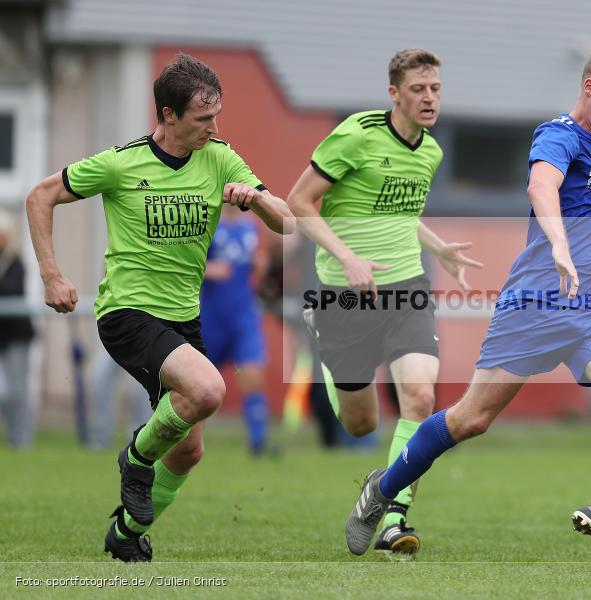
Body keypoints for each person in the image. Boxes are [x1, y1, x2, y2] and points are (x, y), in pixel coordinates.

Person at [345, 41, 591, 557]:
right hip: (537, 304)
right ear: (589, 87)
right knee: (470, 419)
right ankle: (381, 491)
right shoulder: (557, 136)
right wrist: (562, 247)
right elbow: (543, 189)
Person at [25, 53, 294, 563]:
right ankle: (136, 457)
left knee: (190, 451)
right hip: (127, 313)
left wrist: (256, 200)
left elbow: (287, 222)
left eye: (217, 116)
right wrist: (52, 274)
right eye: (202, 119)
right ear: (167, 116)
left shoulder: (220, 157)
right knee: (209, 388)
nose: (214, 128)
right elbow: (41, 196)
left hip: (181, 319)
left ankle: (126, 533)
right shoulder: (121, 163)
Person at [287, 48, 482, 558]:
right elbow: (299, 202)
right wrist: (348, 259)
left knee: (418, 398)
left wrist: (439, 247)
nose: (429, 97)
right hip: (344, 298)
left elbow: (398, 214)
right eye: (418, 89)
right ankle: (328, 355)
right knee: (362, 424)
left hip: (406, 289)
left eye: (435, 88)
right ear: (394, 92)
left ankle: (393, 515)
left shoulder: (431, 152)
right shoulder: (356, 134)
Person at [200, 203, 272, 456]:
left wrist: (258, 264)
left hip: (243, 315)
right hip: (210, 317)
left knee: (252, 375)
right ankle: (188, 444)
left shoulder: (251, 225)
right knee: (200, 389)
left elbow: (257, 261)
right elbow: (184, 263)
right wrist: (208, 269)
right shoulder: (205, 222)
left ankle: (259, 442)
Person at [0, 209, 36, 449]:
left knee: (18, 390)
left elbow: (11, 290)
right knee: (5, 392)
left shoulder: (16, 263)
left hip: (17, 336)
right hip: (2, 336)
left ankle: (21, 439)